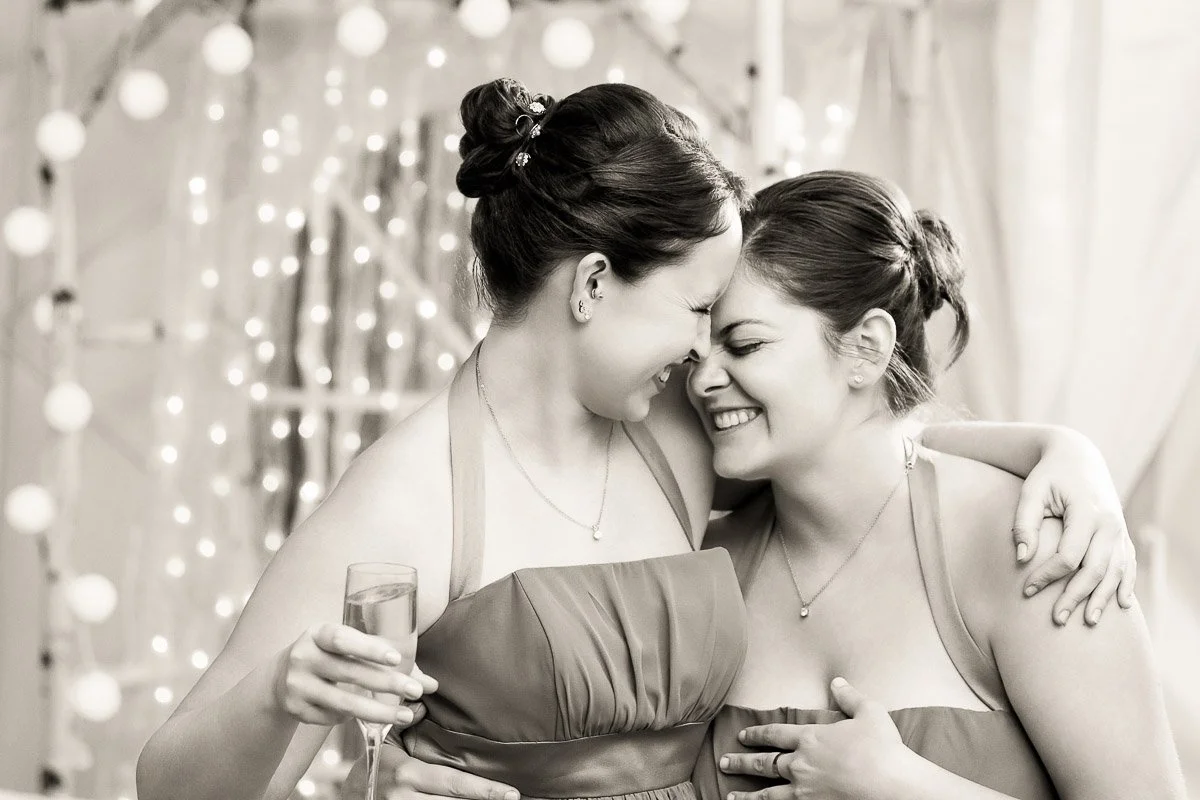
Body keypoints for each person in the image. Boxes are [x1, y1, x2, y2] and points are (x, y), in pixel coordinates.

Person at [136, 79, 1134, 800]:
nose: (705, 356)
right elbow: (166, 786)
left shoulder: (673, 432)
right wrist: (283, 699)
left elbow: (851, 436)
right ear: (593, 284)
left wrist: (1058, 450)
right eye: (698, 309)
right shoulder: (409, 495)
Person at [691, 171, 1184, 799]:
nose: (704, 380)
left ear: (866, 348)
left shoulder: (1028, 547)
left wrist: (902, 787)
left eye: (745, 344)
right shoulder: (709, 565)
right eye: (695, 354)